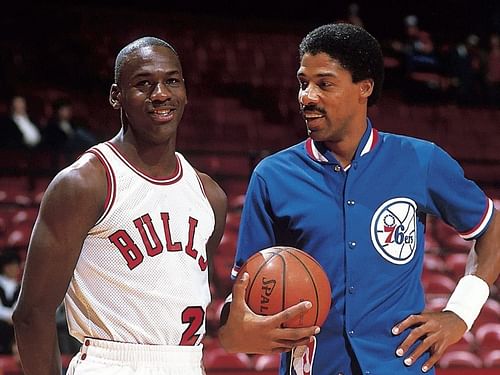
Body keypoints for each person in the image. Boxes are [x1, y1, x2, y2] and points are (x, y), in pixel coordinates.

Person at [218, 23, 500, 375]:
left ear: (363, 88)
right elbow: (245, 294)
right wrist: (239, 330)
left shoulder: (420, 160)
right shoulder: (272, 176)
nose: (307, 96)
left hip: (401, 366)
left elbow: (492, 228)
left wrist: (460, 313)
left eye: (324, 83)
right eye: (303, 83)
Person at [13, 36, 227, 375]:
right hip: (110, 363)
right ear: (117, 96)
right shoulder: (85, 183)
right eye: (144, 84)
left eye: (171, 81)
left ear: (185, 91)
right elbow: (31, 315)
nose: (160, 93)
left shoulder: (209, 195)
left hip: (188, 362)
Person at [0, 250, 21, 354]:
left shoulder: (21, 287)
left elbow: (18, 308)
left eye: (16, 265)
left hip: (14, 326)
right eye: (10, 265)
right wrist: (11, 317)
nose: (14, 268)